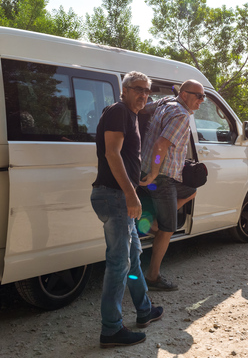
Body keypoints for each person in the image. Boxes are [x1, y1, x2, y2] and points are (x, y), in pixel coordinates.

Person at [90, 71, 163, 348]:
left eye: (147, 90)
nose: (143, 94)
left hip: (121, 196)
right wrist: (131, 194)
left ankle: (143, 310)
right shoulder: (119, 111)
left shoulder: (131, 115)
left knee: (132, 255)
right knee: (119, 263)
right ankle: (110, 329)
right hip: (115, 197)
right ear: (125, 90)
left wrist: (139, 178)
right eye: (138, 89)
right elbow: (112, 153)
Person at [139, 79, 204, 291]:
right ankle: (153, 276)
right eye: (198, 96)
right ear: (184, 95)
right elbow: (161, 145)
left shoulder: (165, 101)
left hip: (153, 174)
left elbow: (141, 110)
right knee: (169, 228)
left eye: (203, 97)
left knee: (191, 190)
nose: (201, 101)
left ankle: (149, 221)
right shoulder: (181, 115)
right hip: (161, 178)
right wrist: (155, 172)